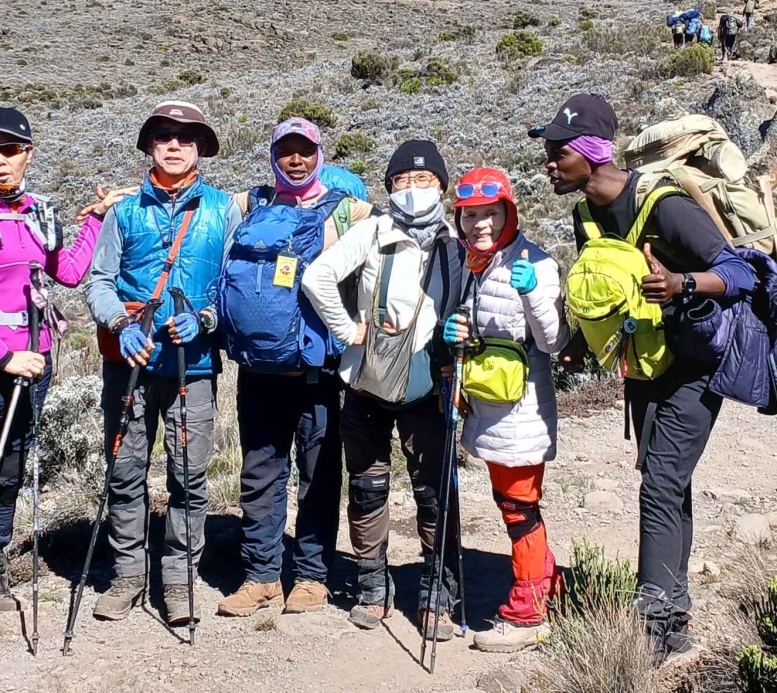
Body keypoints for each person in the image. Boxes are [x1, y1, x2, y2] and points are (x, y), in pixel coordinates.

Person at [533, 95, 756, 660]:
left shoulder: (666, 205)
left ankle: (652, 622)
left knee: (658, 484)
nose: (550, 164)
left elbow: (738, 273)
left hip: (695, 364)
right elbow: (614, 289)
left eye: (558, 153)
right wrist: (580, 342)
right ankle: (675, 621)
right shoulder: (585, 214)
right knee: (667, 483)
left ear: (589, 151)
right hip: (644, 363)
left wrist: (682, 285)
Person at [301, 141, 463, 639]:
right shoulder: (371, 231)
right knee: (368, 487)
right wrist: (348, 328)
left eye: (424, 180)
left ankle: (439, 591)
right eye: (402, 181)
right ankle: (374, 585)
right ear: (390, 186)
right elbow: (317, 276)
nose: (414, 190)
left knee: (434, 490)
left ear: (442, 185)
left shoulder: (456, 239)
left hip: (431, 384)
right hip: (367, 381)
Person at [83, 101, 236, 626]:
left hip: (192, 368)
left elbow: (228, 284)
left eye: (186, 138)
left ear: (200, 149)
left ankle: (177, 579)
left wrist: (208, 318)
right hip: (129, 362)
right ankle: (127, 574)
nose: (175, 145)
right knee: (125, 472)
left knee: (189, 476)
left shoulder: (222, 209)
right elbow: (99, 281)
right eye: (164, 136)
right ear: (150, 145)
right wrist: (121, 327)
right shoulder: (124, 212)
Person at [215, 118, 374, 618]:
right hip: (258, 370)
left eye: (305, 150)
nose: (296, 160)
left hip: (318, 373)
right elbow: (195, 197)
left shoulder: (349, 210)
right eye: (286, 151)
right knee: (260, 475)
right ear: (273, 156)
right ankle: (260, 575)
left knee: (319, 476)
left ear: (320, 154)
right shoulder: (250, 204)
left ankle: (311, 576)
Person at [0, 108, 122, 625]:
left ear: (28, 154)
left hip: (33, 363)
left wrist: (96, 220)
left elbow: (70, 270)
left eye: (8, 151)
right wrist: (1, 354)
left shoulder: (40, 211)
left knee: (9, 469)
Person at [440, 168, 565, 652]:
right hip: (489, 405)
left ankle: (528, 612)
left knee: (518, 508)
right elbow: (485, 323)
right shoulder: (477, 262)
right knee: (512, 503)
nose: (480, 225)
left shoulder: (536, 262)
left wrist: (534, 290)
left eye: (490, 214)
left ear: (509, 212)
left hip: (522, 409)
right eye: (470, 215)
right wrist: (460, 331)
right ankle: (544, 582)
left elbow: (553, 340)